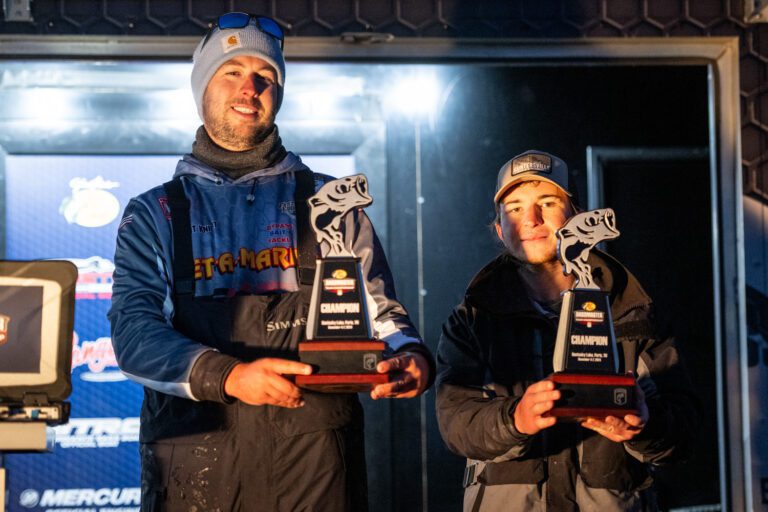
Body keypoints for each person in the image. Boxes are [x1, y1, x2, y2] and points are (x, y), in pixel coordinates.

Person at [108, 12, 434, 511]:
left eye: (266, 77)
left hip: (316, 464)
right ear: (203, 89)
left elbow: (383, 313)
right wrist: (230, 376)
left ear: (279, 94)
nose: (250, 87)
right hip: (196, 465)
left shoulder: (330, 202)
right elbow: (134, 335)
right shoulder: (155, 212)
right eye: (232, 72)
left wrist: (409, 356)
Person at [435, 150, 698, 511]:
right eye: (514, 208)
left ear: (576, 215)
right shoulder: (473, 321)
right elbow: (455, 422)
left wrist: (645, 426)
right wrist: (515, 420)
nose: (531, 219)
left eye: (547, 201)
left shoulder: (632, 311)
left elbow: (684, 429)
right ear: (499, 229)